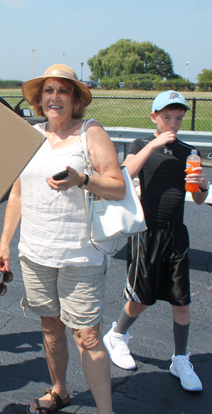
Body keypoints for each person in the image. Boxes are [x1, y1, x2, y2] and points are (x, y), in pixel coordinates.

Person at [0, 64, 125, 414]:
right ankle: (59, 391)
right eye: (48, 90)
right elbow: (18, 195)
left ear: (75, 99)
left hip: (81, 255)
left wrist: (82, 180)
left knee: (88, 336)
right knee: (50, 327)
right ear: (39, 99)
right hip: (35, 252)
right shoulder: (31, 136)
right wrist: (5, 243)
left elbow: (117, 185)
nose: (54, 97)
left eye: (62, 90)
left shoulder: (90, 133)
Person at [103, 90, 208, 392]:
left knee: (182, 301)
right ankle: (117, 336)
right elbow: (126, 176)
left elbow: (199, 200)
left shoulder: (189, 152)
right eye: (166, 118)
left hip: (176, 233)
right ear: (154, 117)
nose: (173, 124)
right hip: (145, 232)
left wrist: (202, 186)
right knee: (141, 297)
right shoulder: (140, 145)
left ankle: (180, 358)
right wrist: (154, 144)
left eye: (178, 118)